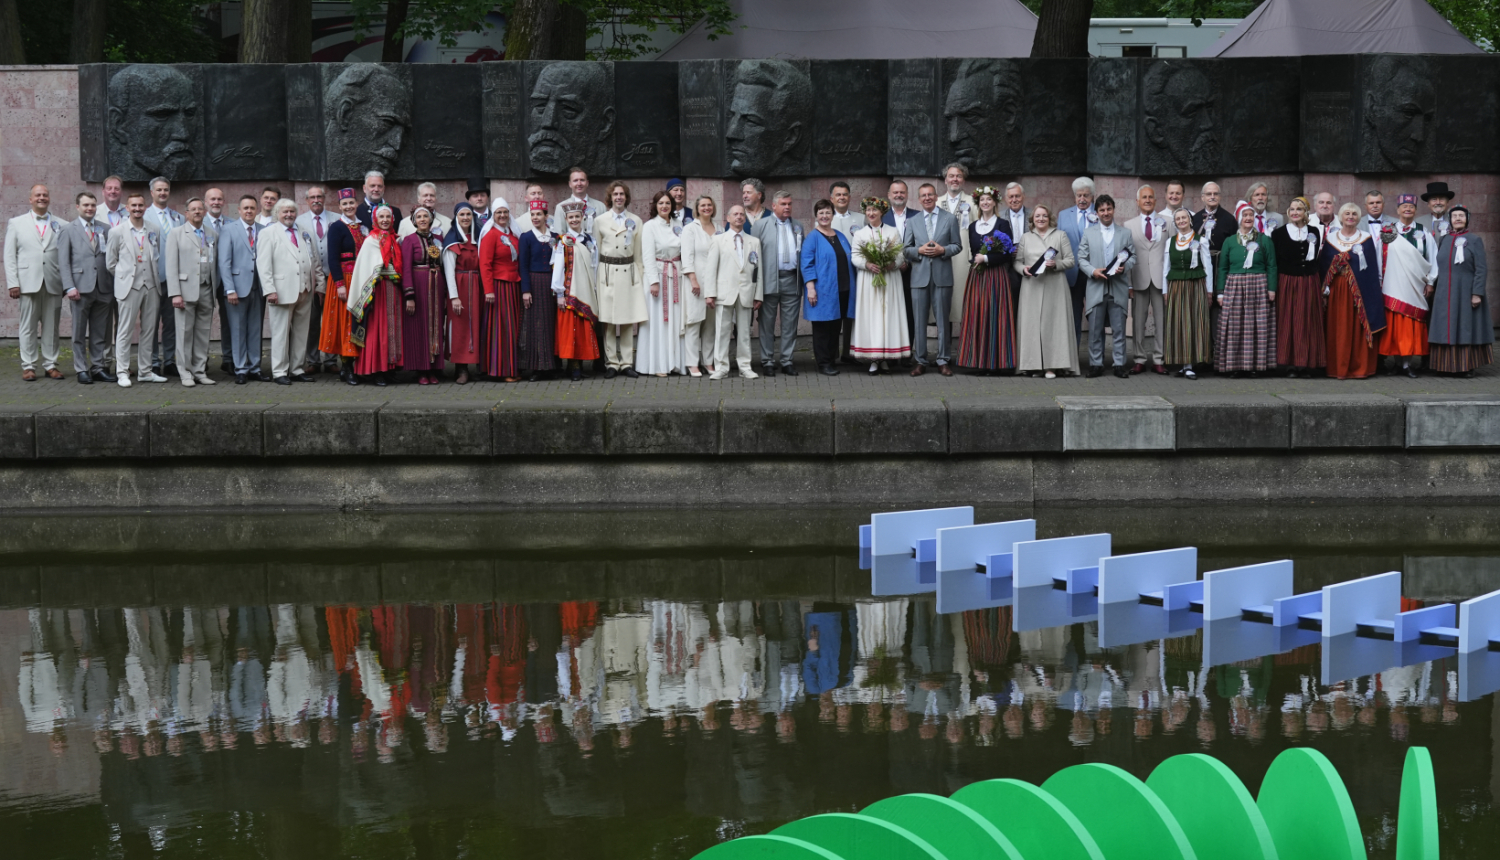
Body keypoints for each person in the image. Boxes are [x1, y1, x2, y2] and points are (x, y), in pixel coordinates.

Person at [256, 198, 322, 386]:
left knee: (302, 332)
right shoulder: (269, 233)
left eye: (292, 212)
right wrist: (269, 290)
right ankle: (279, 371)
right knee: (280, 333)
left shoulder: (304, 232)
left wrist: (319, 286)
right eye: (284, 211)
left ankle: (297, 369)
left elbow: (314, 259)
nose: (289, 215)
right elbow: (264, 264)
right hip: (281, 291)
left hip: (305, 289)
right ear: (277, 213)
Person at [105, 192, 167, 386]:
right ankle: (122, 371)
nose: (137, 209)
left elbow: (155, 255)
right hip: (129, 287)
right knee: (125, 330)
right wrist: (125, 277)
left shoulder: (154, 229)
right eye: (134, 206)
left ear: (145, 207)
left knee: (149, 330)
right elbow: (110, 263)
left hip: (151, 285)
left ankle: (145, 371)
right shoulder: (117, 231)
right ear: (128, 208)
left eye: (141, 205)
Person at [4, 184, 65, 381]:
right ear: (30, 199)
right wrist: (13, 282)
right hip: (27, 282)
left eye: (45, 195)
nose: (41, 197)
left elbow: (65, 257)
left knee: (51, 327)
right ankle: (28, 366)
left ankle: (50, 364)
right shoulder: (16, 223)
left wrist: (66, 283)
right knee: (27, 326)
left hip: (53, 283)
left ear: (49, 198)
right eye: (37, 195)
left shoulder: (62, 224)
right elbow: (9, 255)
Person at [955, 186, 1016, 375]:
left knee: (996, 316)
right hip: (978, 277)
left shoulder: (1003, 224)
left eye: (989, 199)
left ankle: (996, 362)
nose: (986, 203)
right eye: (982, 200)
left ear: (995, 202)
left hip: (996, 276)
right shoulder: (973, 226)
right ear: (978, 204)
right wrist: (978, 260)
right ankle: (977, 361)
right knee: (977, 316)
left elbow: (1008, 254)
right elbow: (973, 252)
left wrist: (987, 259)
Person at [904, 183, 962, 377]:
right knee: (919, 320)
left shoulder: (950, 219)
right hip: (919, 277)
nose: (927, 198)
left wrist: (943, 250)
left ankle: (943, 360)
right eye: (923, 195)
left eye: (930, 194)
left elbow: (957, 246)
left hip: (942, 276)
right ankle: (920, 361)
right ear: (919, 199)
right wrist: (919, 251)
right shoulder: (912, 221)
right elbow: (906, 249)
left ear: (936, 197)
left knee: (942, 321)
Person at [58, 191, 115, 384]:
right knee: (79, 333)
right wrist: (69, 287)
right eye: (86, 205)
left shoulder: (105, 229)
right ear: (78, 207)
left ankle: (98, 367)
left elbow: (111, 258)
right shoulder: (68, 230)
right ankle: (81, 369)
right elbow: (63, 262)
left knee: (100, 333)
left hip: (104, 287)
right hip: (80, 289)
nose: (89, 208)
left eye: (92, 205)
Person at [1214, 201, 1278, 377]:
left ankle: (1255, 366)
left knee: (1257, 326)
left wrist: (1271, 289)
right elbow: (1223, 268)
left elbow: (1272, 266)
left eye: (1250, 215)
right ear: (1239, 218)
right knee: (1235, 327)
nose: (1248, 218)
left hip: (1258, 286)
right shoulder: (1229, 242)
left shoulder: (1264, 240)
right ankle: (1234, 366)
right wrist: (1220, 292)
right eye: (1244, 215)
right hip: (1234, 286)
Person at [1321, 203, 1383, 380]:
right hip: (1337, 291)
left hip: (1361, 292)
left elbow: (1372, 269)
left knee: (1357, 329)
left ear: (1358, 217)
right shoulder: (1331, 238)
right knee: (1338, 328)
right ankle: (1337, 367)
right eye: (1347, 213)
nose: (1350, 216)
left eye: (1354, 214)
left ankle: (1359, 367)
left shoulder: (1366, 238)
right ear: (1340, 217)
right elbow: (1323, 267)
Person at [1015, 204, 1078, 379]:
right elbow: (1017, 262)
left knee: (1054, 326)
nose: (1041, 219)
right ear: (1032, 219)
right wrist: (1023, 269)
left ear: (1049, 218)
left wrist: (1056, 264)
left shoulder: (1060, 235)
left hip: (1055, 285)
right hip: (1031, 286)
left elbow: (1071, 260)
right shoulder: (1026, 237)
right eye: (1037, 216)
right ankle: (1034, 366)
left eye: (1044, 216)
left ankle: (1052, 366)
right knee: (1032, 326)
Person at [1428, 205, 1492, 376]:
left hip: (1465, 291)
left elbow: (1481, 269)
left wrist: (1477, 293)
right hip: (1444, 291)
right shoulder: (1444, 239)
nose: (1457, 219)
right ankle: (1444, 366)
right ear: (1450, 220)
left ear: (1467, 219)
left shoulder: (1474, 240)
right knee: (1444, 327)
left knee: (1464, 327)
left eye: (1461, 216)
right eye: (1454, 216)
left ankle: (1465, 366)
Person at [849, 197, 909, 374]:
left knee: (888, 315)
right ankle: (874, 358)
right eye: (868, 210)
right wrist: (868, 265)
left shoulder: (892, 231)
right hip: (869, 280)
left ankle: (886, 357)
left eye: (874, 210)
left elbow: (900, 254)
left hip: (889, 279)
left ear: (881, 212)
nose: (871, 213)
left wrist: (892, 264)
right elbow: (855, 256)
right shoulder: (860, 234)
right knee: (872, 316)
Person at [1078, 194, 1136, 378]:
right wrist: (1093, 271)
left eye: (1108, 209)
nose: (1105, 213)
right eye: (1102, 210)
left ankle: (1119, 364)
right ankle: (1096, 364)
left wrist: (1124, 267)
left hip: (1117, 287)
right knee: (1095, 329)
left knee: (1119, 329)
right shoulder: (1089, 233)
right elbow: (1081, 258)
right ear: (1096, 212)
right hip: (1096, 286)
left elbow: (1133, 257)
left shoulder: (1125, 233)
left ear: (1113, 209)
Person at [164, 197, 220, 386]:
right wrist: (175, 293)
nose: (197, 212)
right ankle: (185, 372)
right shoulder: (176, 233)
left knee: (203, 333)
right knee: (184, 332)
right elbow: (170, 266)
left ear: (204, 212)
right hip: (185, 290)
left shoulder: (212, 233)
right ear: (186, 213)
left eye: (200, 209)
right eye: (193, 209)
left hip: (206, 289)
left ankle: (199, 370)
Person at [1378, 194, 1435, 378]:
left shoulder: (1423, 232)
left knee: (1410, 323)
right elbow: (1379, 256)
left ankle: (1407, 364)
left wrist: (1431, 282)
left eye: (1411, 206)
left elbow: (1433, 259)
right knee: (1394, 325)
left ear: (1416, 210)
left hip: (1415, 286)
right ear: (1397, 210)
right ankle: (1396, 363)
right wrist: (1379, 280)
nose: (1407, 209)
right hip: (1392, 283)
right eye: (1404, 206)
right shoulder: (1388, 231)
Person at [348, 205, 405, 386]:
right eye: (381, 217)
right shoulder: (371, 240)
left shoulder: (395, 239)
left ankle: (389, 368)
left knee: (391, 329)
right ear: (375, 219)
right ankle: (375, 370)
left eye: (388, 217)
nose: (385, 220)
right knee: (377, 330)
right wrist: (390, 272)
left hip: (393, 291)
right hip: (377, 292)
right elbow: (369, 268)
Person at [595, 181, 646, 379]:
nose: (618, 197)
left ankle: (626, 362)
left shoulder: (636, 220)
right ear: (610, 197)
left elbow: (639, 253)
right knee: (608, 321)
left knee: (626, 320)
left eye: (622, 194)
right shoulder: (600, 220)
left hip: (628, 271)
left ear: (626, 197)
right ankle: (612, 363)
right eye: (615, 194)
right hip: (607, 272)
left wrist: (639, 277)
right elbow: (597, 251)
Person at [800, 198, 856, 377]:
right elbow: (806, 264)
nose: (824, 216)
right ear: (816, 216)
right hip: (823, 290)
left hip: (843, 288)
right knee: (823, 328)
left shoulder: (839, 235)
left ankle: (832, 359)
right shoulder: (812, 237)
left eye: (827, 212)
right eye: (821, 213)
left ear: (833, 214)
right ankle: (824, 362)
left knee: (835, 326)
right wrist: (810, 288)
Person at [705, 205, 763, 379]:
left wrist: (758, 294)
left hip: (746, 291)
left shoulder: (754, 241)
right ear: (728, 218)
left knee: (745, 332)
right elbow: (711, 269)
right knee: (722, 331)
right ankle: (721, 367)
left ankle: (745, 366)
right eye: (735, 214)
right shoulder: (718, 240)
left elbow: (758, 270)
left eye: (741, 214)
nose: (739, 217)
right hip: (724, 291)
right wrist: (710, 293)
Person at [1270, 197, 1326, 378]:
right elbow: (1275, 262)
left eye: (1299, 209)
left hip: (1309, 281)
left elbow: (1316, 258)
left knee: (1307, 321)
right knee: (1289, 321)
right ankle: (1290, 365)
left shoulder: (1315, 231)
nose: (1295, 212)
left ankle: (1306, 364)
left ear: (1306, 213)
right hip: (1287, 282)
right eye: (1292, 209)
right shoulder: (1278, 233)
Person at [753, 190, 805, 376]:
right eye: (783, 204)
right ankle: (767, 361)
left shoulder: (798, 226)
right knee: (766, 323)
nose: (787, 207)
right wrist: (756, 286)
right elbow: (754, 258)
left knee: (790, 323)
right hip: (769, 280)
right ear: (774, 206)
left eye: (789, 204)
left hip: (792, 279)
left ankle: (787, 360)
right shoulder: (760, 226)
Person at [551, 201, 601, 382]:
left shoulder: (590, 241)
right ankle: (573, 368)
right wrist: (559, 293)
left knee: (582, 330)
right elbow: (558, 268)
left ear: (582, 218)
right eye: (571, 217)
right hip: (570, 292)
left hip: (587, 291)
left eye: (577, 217)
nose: (574, 220)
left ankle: (579, 364)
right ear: (566, 219)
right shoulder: (562, 241)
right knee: (570, 331)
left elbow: (594, 266)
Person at [217, 195, 265, 383]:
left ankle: (255, 367)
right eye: (245, 208)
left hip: (258, 287)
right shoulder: (228, 230)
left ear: (256, 210)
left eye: (252, 208)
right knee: (237, 330)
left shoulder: (263, 230)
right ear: (239, 210)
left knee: (255, 329)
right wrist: (229, 289)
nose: (249, 211)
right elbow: (224, 262)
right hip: (237, 288)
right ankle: (241, 369)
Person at [1162, 207, 1214, 379]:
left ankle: (1191, 364)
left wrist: (1209, 291)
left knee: (1194, 322)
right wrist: (1165, 290)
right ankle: (1182, 363)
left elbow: (1208, 267)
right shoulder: (1170, 242)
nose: (1181, 221)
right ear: (1175, 222)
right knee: (1178, 324)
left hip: (1195, 285)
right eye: (1178, 219)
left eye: (1184, 218)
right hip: (1176, 286)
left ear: (1190, 220)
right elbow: (1166, 268)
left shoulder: (1202, 241)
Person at [639, 190, 687, 377]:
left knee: (674, 321)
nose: (664, 206)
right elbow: (648, 256)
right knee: (658, 322)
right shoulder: (650, 226)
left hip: (676, 275)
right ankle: (658, 364)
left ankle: (675, 363)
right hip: (658, 276)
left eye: (667, 203)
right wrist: (653, 282)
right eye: (660, 203)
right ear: (655, 206)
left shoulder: (679, 224)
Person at [399, 207, 448, 385]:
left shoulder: (438, 239)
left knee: (436, 325)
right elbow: (405, 268)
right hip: (418, 287)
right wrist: (409, 295)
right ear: (413, 221)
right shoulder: (409, 240)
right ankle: (421, 370)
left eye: (425, 216)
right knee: (420, 327)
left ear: (431, 219)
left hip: (436, 286)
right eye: (418, 217)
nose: (422, 219)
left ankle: (434, 368)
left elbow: (443, 265)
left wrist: (444, 293)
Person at [321, 189, 364, 386]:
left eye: (351, 203)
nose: (348, 207)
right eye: (344, 204)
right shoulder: (336, 227)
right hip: (344, 280)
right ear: (339, 207)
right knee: (346, 322)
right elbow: (332, 258)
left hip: (359, 279)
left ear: (357, 204)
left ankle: (357, 365)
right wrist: (339, 285)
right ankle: (347, 368)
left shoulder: (363, 226)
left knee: (358, 321)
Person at [477, 199, 521, 382]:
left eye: (505, 212)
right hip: (498, 287)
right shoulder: (490, 235)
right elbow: (484, 264)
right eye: (498, 213)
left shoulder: (513, 234)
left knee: (513, 328)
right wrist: (489, 290)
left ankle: (512, 367)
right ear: (493, 216)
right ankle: (501, 369)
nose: (502, 216)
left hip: (514, 285)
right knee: (501, 329)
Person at [296, 186, 338, 375]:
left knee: (332, 320)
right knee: (312, 321)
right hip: (311, 278)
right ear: (306, 201)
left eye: (319, 196)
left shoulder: (336, 219)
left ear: (324, 198)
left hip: (334, 276)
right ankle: (313, 359)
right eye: (312, 197)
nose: (316, 200)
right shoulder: (299, 221)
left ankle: (330, 359)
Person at [145, 176, 184, 378]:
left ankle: (169, 361)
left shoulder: (178, 218)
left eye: (166, 190)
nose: (162, 193)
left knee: (171, 323)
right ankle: (152, 361)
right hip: (153, 279)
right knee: (151, 323)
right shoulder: (143, 216)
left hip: (174, 281)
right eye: (159, 190)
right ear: (152, 192)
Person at [1127, 184, 1168, 374]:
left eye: (1151, 197)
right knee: (1138, 322)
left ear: (1156, 200)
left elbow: (1172, 252)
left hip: (1162, 280)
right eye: (1144, 197)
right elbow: (1126, 255)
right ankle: (1139, 359)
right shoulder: (1129, 225)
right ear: (1137, 201)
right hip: (1138, 279)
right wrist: (1128, 283)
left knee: (1162, 321)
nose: (1148, 200)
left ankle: (1159, 359)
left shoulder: (1168, 222)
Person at [516, 199, 559, 381]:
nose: (535, 217)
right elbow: (523, 266)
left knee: (550, 323)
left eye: (539, 214)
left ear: (546, 216)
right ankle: (535, 367)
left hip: (551, 282)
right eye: (532, 214)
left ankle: (551, 365)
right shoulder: (526, 237)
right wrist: (526, 290)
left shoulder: (555, 237)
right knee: (534, 324)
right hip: (534, 281)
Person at [445, 203, 486, 384]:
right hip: (460, 286)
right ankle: (461, 368)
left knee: (477, 325)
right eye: (462, 215)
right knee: (461, 327)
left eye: (468, 214)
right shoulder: (452, 239)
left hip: (478, 286)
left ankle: (478, 365)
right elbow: (449, 270)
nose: (465, 218)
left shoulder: (479, 237)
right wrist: (454, 296)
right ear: (456, 217)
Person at [679, 195, 720, 377]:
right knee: (694, 323)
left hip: (716, 283)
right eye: (702, 205)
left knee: (710, 325)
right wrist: (693, 279)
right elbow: (686, 256)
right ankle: (692, 363)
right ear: (697, 208)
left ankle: (708, 362)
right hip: (695, 283)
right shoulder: (690, 229)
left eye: (709, 205)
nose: (706, 208)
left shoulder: (719, 228)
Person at [1058, 177, 1096, 343]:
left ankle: (1097, 360)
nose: (1082, 199)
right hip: (1072, 273)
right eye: (1079, 195)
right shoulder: (1064, 215)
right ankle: (1073, 361)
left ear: (1092, 196)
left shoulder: (1101, 213)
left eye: (1086, 195)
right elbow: (1058, 243)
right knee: (1073, 317)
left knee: (1096, 317)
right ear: (1074, 196)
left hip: (1094, 273)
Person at [938, 164, 974, 328]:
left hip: (963, 259)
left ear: (963, 180)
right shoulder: (937, 202)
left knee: (962, 301)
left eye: (958, 176)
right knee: (944, 303)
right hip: (941, 257)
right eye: (951, 176)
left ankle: (964, 349)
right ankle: (944, 349)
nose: (955, 179)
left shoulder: (973, 202)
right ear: (945, 180)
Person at [882, 180, 916, 354]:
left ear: (907, 194)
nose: (898, 195)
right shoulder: (881, 217)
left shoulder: (917, 216)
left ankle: (907, 352)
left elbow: (921, 242)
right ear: (889, 195)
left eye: (902, 192)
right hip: (889, 272)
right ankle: (890, 351)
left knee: (910, 313)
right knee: (890, 312)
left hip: (912, 273)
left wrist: (907, 262)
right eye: (895, 192)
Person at [551, 167, 605, 236]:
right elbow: (559, 235)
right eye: (575, 180)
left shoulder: (601, 207)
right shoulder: (560, 208)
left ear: (587, 183)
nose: (579, 183)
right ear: (570, 184)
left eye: (582, 180)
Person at [1192, 182, 1234, 262]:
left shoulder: (1229, 219)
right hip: (1199, 262)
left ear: (1220, 197)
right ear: (1202, 197)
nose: (1212, 197)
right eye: (1209, 194)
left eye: (1215, 194)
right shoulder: (1195, 218)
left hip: (1221, 262)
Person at [1363, 191, 1391, 276]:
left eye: (1378, 202)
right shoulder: (1357, 224)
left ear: (1383, 204)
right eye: (1371, 203)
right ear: (1366, 206)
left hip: (1389, 269)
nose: (1375, 206)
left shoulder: (1395, 223)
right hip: (1365, 270)